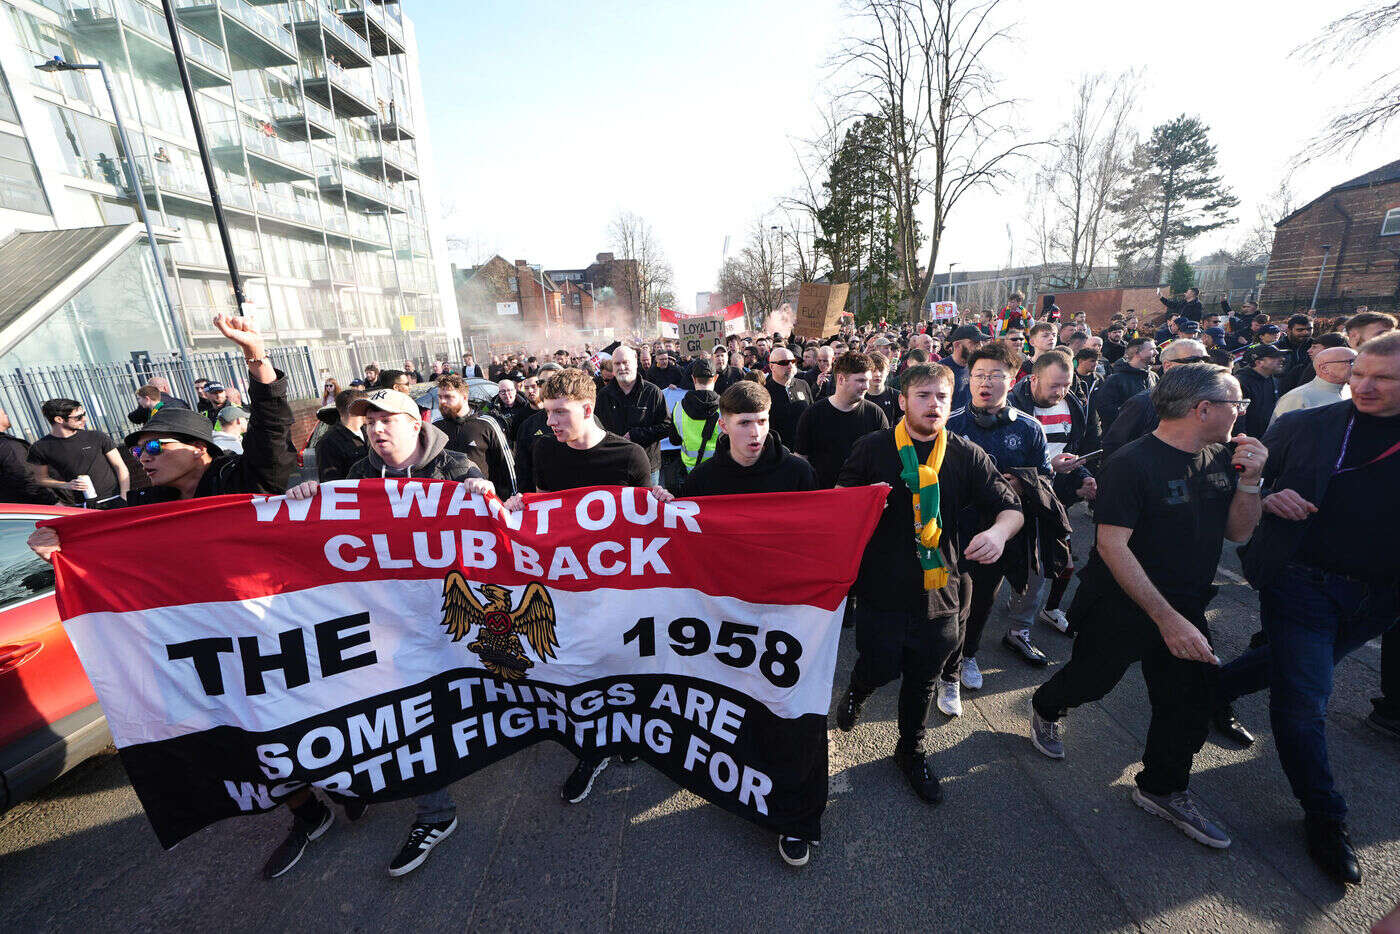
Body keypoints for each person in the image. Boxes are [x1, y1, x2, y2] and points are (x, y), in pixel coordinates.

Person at [25, 315, 317, 878]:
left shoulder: (242, 479)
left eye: (156, 444)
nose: (144, 455)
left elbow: (271, 433)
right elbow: (99, 543)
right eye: (137, 449)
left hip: (276, 626)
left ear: (200, 448)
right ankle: (307, 816)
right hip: (212, 645)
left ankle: (343, 785)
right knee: (243, 737)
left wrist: (257, 357)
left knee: (303, 719)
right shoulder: (144, 510)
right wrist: (57, 546)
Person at [1029, 364, 1266, 851]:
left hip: (1188, 606)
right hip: (1122, 604)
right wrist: (1165, 619)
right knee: (1092, 681)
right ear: (1203, 409)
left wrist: (1252, 482)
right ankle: (1046, 706)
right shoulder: (1133, 463)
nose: (1243, 412)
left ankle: (1162, 787)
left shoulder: (1223, 457)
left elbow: (1239, 533)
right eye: (1236, 404)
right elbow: (1115, 548)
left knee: (1188, 703)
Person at [1214, 332, 1400, 884]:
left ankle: (1208, 690)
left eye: (1383, 378)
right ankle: (1325, 815)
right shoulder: (1305, 425)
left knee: (1288, 667)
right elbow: (1243, 479)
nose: (1362, 385)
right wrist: (1264, 496)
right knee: (1304, 700)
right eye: (1358, 372)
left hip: (1380, 599)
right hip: (1302, 583)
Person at [285, 386, 493, 878]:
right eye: (369, 421)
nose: (376, 429)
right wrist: (308, 499)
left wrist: (485, 496)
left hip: (451, 612)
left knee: (459, 702)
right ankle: (435, 812)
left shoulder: (457, 468)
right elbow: (334, 531)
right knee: (398, 709)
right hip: (387, 618)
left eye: (387, 420)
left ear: (415, 423)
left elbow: (497, 531)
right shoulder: (360, 475)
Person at [835, 362, 1021, 802]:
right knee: (879, 664)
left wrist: (997, 533)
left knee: (923, 679)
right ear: (902, 402)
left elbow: (1010, 507)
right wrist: (862, 504)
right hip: (882, 587)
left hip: (942, 591)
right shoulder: (871, 447)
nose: (933, 404)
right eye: (923, 396)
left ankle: (910, 751)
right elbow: (839, 499)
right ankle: (858, 691)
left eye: (941, 396)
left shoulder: (966, 454)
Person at [500, 369, 662, 807]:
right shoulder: (543, 451)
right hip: (566, 589)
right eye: (547, 413)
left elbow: (647, 526)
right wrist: (518, 507)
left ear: (587, 409)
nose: (549, 423)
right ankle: (593, 750)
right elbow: (540, 520)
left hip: (619, 591)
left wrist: (661, 506)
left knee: (624, 665)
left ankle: (629, 732)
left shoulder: (629, 457)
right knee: (582, 669)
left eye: (558, 413)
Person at [678, 379, 816, 866]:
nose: (755, 432)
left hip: (787, 612)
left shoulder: (798, 472)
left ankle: (792, 812)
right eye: (744, 423)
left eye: (762, 421)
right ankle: (741, 782)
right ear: (724, 425)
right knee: (738, 703)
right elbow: (686, 543)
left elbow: (820, 534)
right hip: (730, 614)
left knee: (788, 707)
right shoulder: (703, 480)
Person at [945, 342, 1056, 699]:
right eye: (979, 375)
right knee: (945, 598)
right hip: (951, 530)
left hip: (1001, 533)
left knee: (981, 600)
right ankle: (942, 661)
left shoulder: (1029, 428)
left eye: (996, 376)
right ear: (968, 378)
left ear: (1014, 380)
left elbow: (1046, 478)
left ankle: (969, 654)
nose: (986, 382)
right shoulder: (949, 422)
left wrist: (1021, 483)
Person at [1099, 340, 1210, 463]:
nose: (1202, 366)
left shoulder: (1212, 403)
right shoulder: (1142, 401)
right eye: (1193, 361)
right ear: (1168, 366)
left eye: (1205, 361)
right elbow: (1115, 445)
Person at [794, 351, 889, 489]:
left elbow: (883, 458)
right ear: (841, 379)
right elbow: (801, 459)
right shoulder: (813, 414)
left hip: (860, 499)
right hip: (822, 497)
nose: (866, 386)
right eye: (861, 380)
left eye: (867, 381)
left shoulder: (875, 414)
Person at [29, 399, 129, 508]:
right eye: (78, 418)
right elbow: (40, 479)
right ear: (59, 419)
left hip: (114, 498)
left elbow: (120, 466)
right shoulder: (40, 447)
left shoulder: (97, 437)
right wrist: (66, 485)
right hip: (82, 506)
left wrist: (124, 496)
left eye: (83, 415)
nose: (84, 419)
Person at [596, 346, 670, 486]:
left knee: (649, 506)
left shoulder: (652, 392)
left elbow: (666, 426)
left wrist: (636, 435)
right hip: (614, 467)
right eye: (617, 363)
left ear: (636, 362)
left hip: (648, 467)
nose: (621, 367)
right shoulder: (603, 395)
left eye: (625, 362)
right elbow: (597, 428)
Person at [435, 373, 514, 499]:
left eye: (448, 397)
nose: (443, 402)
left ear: (465, 397)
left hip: (482, 499)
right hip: (448, 503)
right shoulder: (436, 427)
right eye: (440, 397)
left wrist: (509, 498)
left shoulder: (487, 424)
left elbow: (507, 466)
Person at [1091, 337, 1158, 433]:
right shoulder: (1114, 381)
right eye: (1152, 349)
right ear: (1137, 352)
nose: (1156, 352)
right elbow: (1106, 413)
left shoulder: (1154, 377)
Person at [668, 357, 721, 476]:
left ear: (693, 378)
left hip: (690, 471)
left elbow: (674, 441)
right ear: (715, 378)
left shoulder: (678, 408)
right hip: (719, 471)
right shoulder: (726, 408)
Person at [1272, 346, 1355, 421]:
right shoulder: (1297, 398)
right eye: (1351, 362)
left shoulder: (1352, 392)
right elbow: (1280, 435)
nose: (1358, 366)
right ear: (1325, 368)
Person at [0, 408, 55, 504]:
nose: (7, 416)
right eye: (4, 414)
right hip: (26, 509)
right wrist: (52, 502)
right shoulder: (9, 447)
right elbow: (26, 478)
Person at [762, 345, 812, 446]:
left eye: (792, 361)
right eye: (784, 363)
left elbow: (811, 415)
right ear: (772, 367)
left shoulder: (803, 384)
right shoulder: (764, 392)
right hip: (779, 451)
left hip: (804, 448)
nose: (790, 365)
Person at [316, 388, 368, 482]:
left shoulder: (368, 432)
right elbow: (330, 483)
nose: (369, 410)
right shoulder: (328, 443)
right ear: (352, 409)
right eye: (366, 407)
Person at [1234, 344, 1286, 438]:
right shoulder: (1240, 383)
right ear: (1259, 362)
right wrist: (1243, 443)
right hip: (1248, 443)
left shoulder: (1271, 378)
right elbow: (1238, 419)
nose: (1282, 359)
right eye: (1275, 357)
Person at [488, 379, 531, 443]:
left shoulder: (527, 403)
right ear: (499, 393)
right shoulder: (492, 405)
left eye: (509, 390)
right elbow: (480, 413)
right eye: (503, 391)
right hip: (504, 442)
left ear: (515, 391)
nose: (507, 395)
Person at [865, 351, 901, 424]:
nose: (877, 374)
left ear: (887, 371)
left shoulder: (897, 397)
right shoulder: (857, 397)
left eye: (881, 370)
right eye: (873, 370)